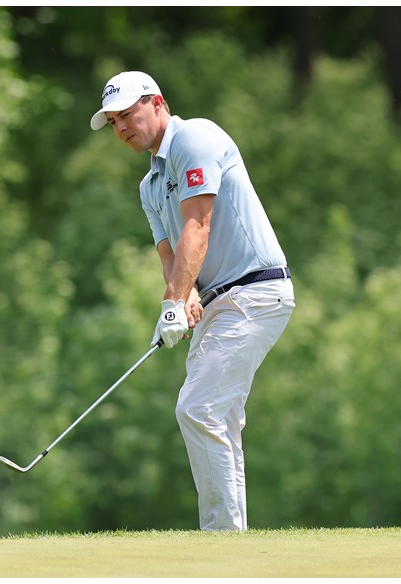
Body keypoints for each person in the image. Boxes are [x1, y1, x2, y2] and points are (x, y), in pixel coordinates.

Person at [89, 70, 296, 531]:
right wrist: (187, 295)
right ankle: (233, 544)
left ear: (156, 103)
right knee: (219, 417)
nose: (121, 128)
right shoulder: (148, 186)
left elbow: (197, 227)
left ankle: (220, 541)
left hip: (255, 290)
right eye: (114, 122)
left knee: (197, 408)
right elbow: (170, 253)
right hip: (220, 301)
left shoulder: (196, 139)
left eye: (127, 114)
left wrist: (171, 304)